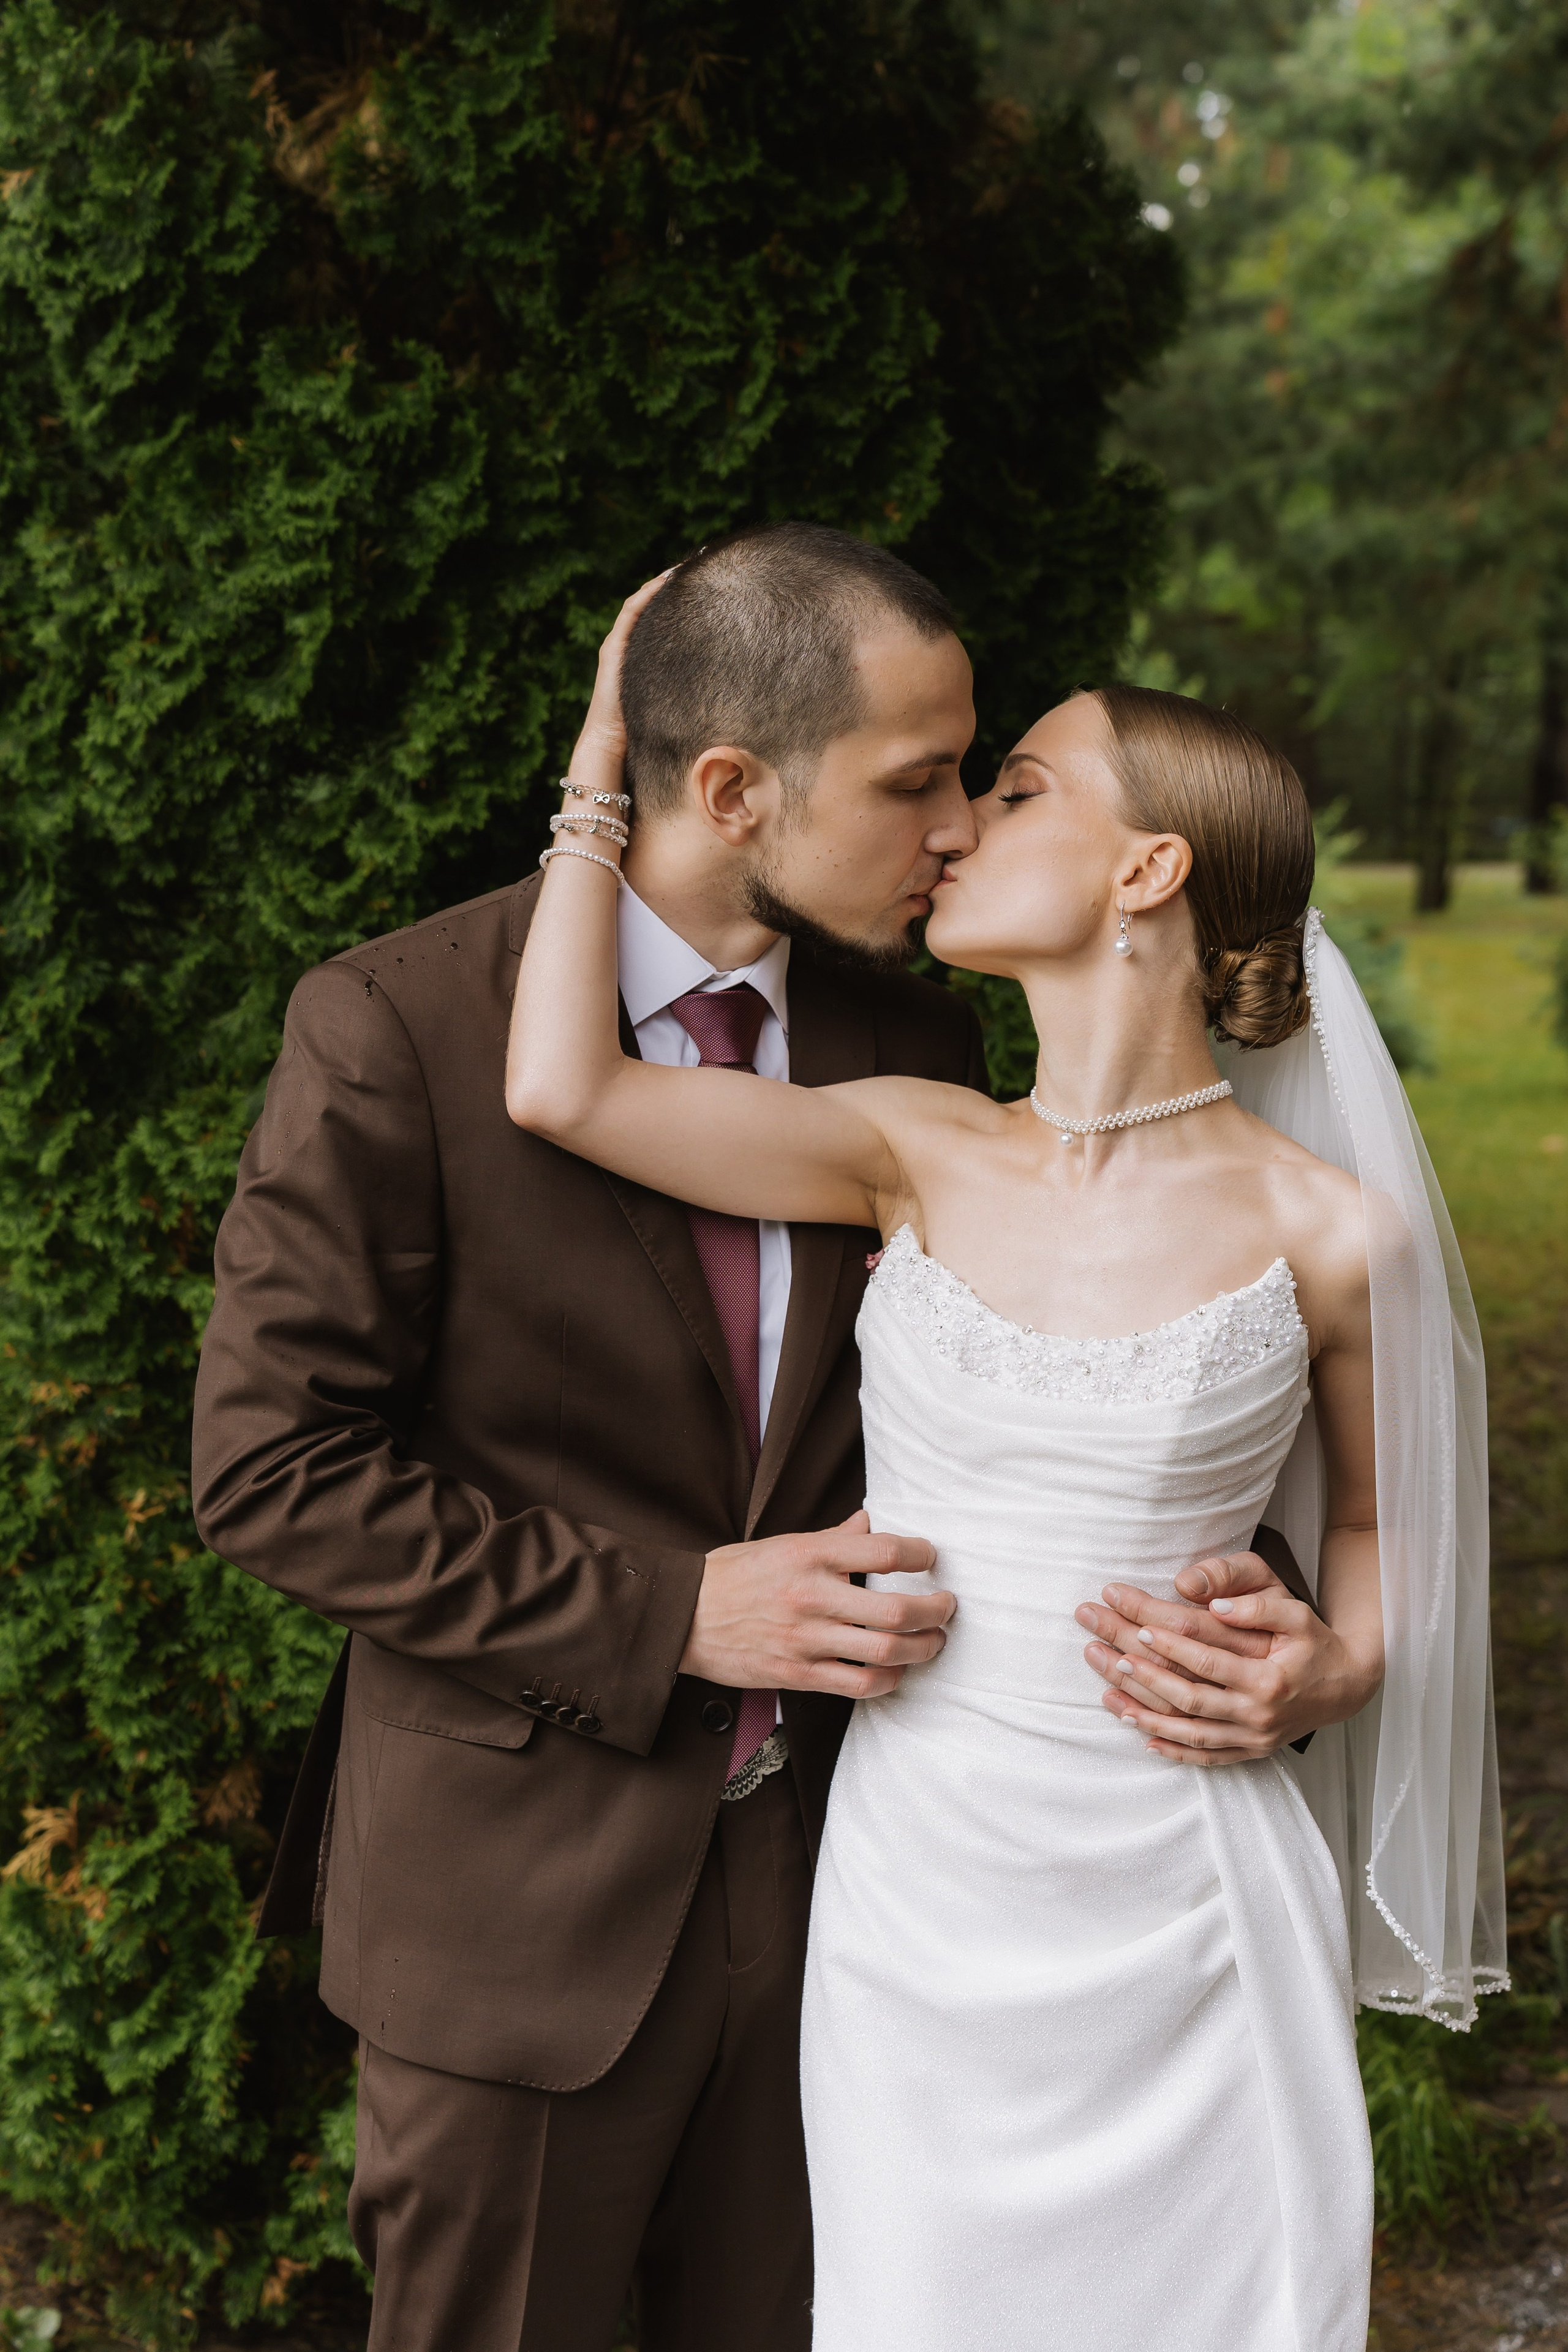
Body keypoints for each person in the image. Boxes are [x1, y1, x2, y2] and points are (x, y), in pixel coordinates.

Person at [507, 581, 1506, 2351]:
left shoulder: (1332, 1233)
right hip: (923, 1910)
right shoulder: (911, 1148)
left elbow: (1378, 1523)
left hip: (1192, 1904)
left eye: (1024, 786)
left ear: (1150, 874)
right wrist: (608, 762)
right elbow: (565, 1091)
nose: (961, 824)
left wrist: (1338, 1662)